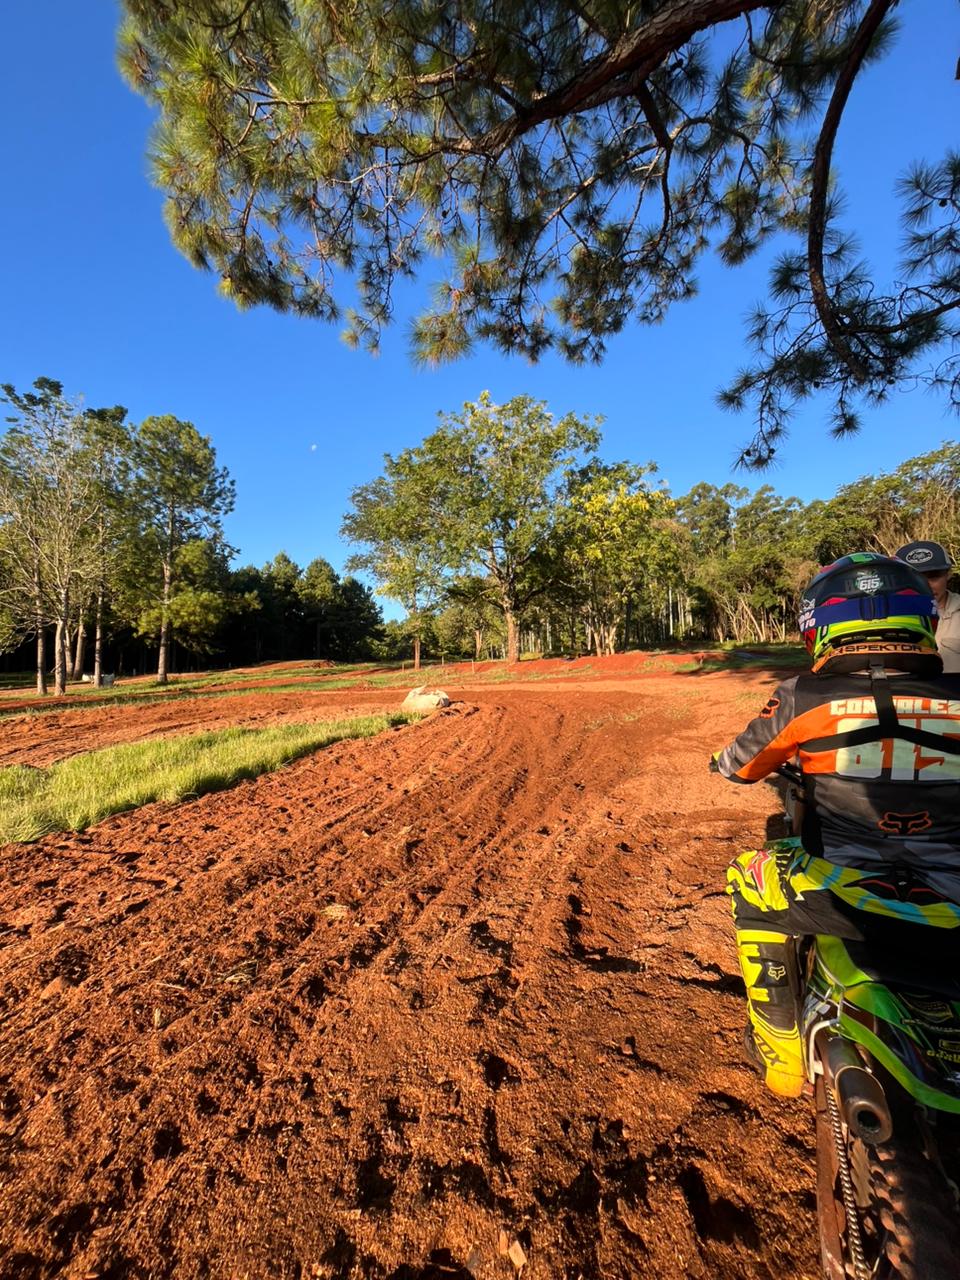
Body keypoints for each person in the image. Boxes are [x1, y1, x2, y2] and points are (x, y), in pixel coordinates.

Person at [714, 552, 960, 1097]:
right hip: (952, 901)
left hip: (850, 894)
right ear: (923, 620)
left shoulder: (802, 696)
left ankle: (780, 1057)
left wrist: (722, 762)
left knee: (749, 879)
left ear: (821, 628)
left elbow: (740, 767)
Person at [895, 540, 960, 674]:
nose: (925, 586)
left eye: (933, 577)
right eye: (914, 579)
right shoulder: (886, 616)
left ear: (949, 574)